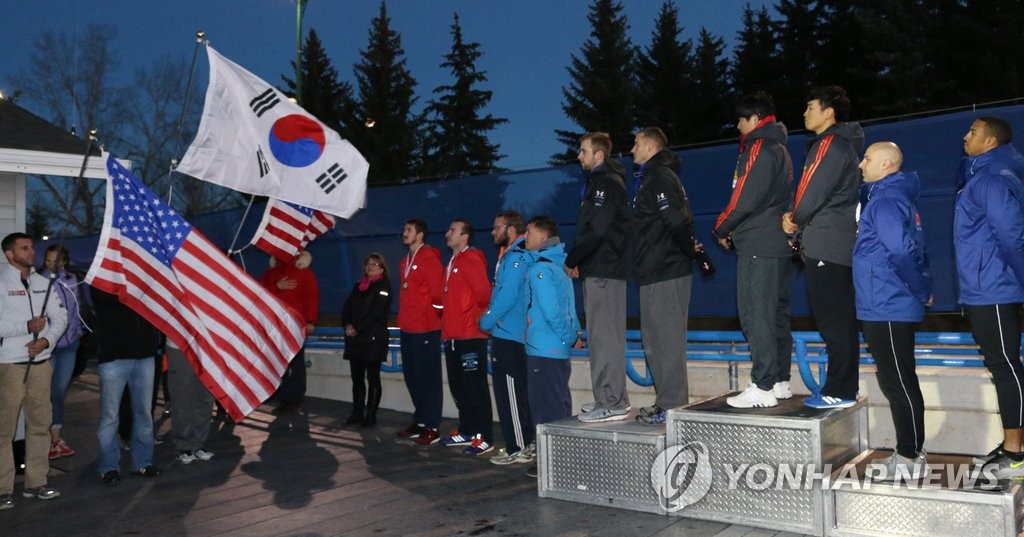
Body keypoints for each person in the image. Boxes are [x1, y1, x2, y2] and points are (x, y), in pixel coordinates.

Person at [781, 85, 864, 410]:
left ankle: (840, 391)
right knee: (839, 319)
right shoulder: (842, 145)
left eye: (810, 106)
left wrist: (793, 219)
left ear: (829, 111)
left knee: (834, 322)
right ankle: (843, 388)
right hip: (835, 243)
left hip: (826, 245)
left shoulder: (829, 144)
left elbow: (810, 191)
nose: (805, 113)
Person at [854, 142, 933, 481]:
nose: (861, 164)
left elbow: (902, 252)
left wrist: (920, 289)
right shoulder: (892, 198)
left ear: (886, 164)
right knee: (896, 379)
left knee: (898, 380)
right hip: (886, 300)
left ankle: (911, 456)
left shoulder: (885, 200)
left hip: (886, 301)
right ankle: (909, 450)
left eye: (868, 158)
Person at [952, 116, 1024, 479]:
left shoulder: (992, 178)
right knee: (1003, 366)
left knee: (1007, 367)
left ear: (991, 140)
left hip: (993, 288)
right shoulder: (983, 175)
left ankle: (1016, 453)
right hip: (985, 288)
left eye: (973, 132)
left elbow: (1011, 236)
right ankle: (1014, 445)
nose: (966, 137)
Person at [714, 92, 795, 409]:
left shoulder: (760, 147)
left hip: (759, 243)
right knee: (775, 315)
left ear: (755, 119)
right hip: (775, 241)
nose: (737, 126)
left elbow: (744, 197)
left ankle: (762, 385)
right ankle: (779, 381)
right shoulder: (781, 149)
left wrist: (723, 226)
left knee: (756, 314)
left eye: (741, 119)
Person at [630, 127, 697, 424]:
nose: (632, 150)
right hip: (654, 269)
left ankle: (672, 406)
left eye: (635, 144)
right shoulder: (653, 177)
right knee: (655, 341)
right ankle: (666, 403)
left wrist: (685, 253)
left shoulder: (659, 177)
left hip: (665, 270)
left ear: (649, 146)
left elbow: (677, 220)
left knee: (666, 340)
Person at [567, 132, 633, 423]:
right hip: (599, 268)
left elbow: (597, 230)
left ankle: (611, 402)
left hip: (605, 269)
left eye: (583, 151)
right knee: (602, 336)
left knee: (605, 337)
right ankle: (612, 397)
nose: (579, 156)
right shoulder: (599, 183)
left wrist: (574, 257)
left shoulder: (606, 183)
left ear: (599, 155)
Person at [0, 232, 67, 508]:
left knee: (40, 425)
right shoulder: (1, 284)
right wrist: (26, 328)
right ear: (9, 254)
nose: (32, 252)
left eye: (32, 247)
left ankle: (36, 482)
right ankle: (3, 489)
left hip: (42, 364)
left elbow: (60, 317)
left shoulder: (44, 283)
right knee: (4, 429)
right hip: (10, 366)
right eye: (24, 248)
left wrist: (45, 341)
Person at [479, 211, 536, 465]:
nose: (493, 232)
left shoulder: (516, 257)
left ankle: (519, 447)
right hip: (513, 334)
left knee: (510, 392)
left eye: (497, 227)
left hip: (510, 335)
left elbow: (507, 295)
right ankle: (523, 444)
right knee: (517, 392)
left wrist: (487, 321)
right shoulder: (513, 254)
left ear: (510, 228)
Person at [91, 287, 162, 484]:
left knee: (144, 413)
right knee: (110, 416)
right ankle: (109, 466)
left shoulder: (143, 275)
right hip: (114, 356)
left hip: (145, 354)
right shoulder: (102, 276)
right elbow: (106, 298)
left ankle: (143, 462)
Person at [439, 219, 494, 456]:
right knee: (459, 386)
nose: (447, 233)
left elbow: (483, 294)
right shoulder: (452, 261)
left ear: (465, 236)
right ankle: (467, 429)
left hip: (470, 334)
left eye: (452, 230)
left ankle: (484, 436)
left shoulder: (471, 259)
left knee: (474, 387)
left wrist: (468, 316)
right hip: (452, 334)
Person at [523, 216, 582, 435]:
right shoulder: (559, 266)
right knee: (559, 405)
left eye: (528, 232)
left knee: (544, 411)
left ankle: (548, 463)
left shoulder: (541, 269)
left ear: (541, 237)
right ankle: (560, 460)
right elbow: (570, 306)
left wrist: (568, 336)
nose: (524, 236)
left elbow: (551, 312)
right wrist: (575, 333)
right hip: (556, 350)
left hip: (543, 349)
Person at [396, 219, 445, 445]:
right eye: (404, 229)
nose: (404, 233)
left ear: (420, 235)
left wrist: (433, 317)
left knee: (429, 378)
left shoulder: (429, 258)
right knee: (412, 377)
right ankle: (421, 419)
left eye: (409, 230)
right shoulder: (404, 261)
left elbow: (438, 294)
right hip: (407, 327)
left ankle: (432, 426)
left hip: (426, 329)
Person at [259, 251, 319, 415]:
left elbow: (312, 296)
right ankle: (281, 396)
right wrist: (276, 287)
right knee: (277, 362)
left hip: (295, 325)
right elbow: (259, 294)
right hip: (274, 325)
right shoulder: (270, 273)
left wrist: (310, 320)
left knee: (296, 363)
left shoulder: (304, 273)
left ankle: (294, 399)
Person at [40, 244, 85, 459]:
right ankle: (49, 439)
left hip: (70, 345)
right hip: (49, 346)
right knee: (48, 391)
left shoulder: (72, 280)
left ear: (64, 262)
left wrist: (79, 331)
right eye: (48, 260)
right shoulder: (39, 280)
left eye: (56, 261)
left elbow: (77, 308)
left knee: (59, 390)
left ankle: (56, 438)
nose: (51, 265)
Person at [341, 253, 393, 427]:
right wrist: (347, 324)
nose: (370, 267)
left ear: (382, 268)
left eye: (375, 264)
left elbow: (377, 313)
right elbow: (347, 308)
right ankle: (357, 412)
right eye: (368, 264)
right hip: (355, 340)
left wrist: (357, 328)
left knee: (372, 378)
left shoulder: (384, 286)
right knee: (356, 379)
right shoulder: (358, 286)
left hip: (373, 340)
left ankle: (370, 415)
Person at [166, 337, 215, 465]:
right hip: (179, 345)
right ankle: (183, 445)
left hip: (206, 346)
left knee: (206, 397)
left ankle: (198, 443)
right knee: (181, 397)